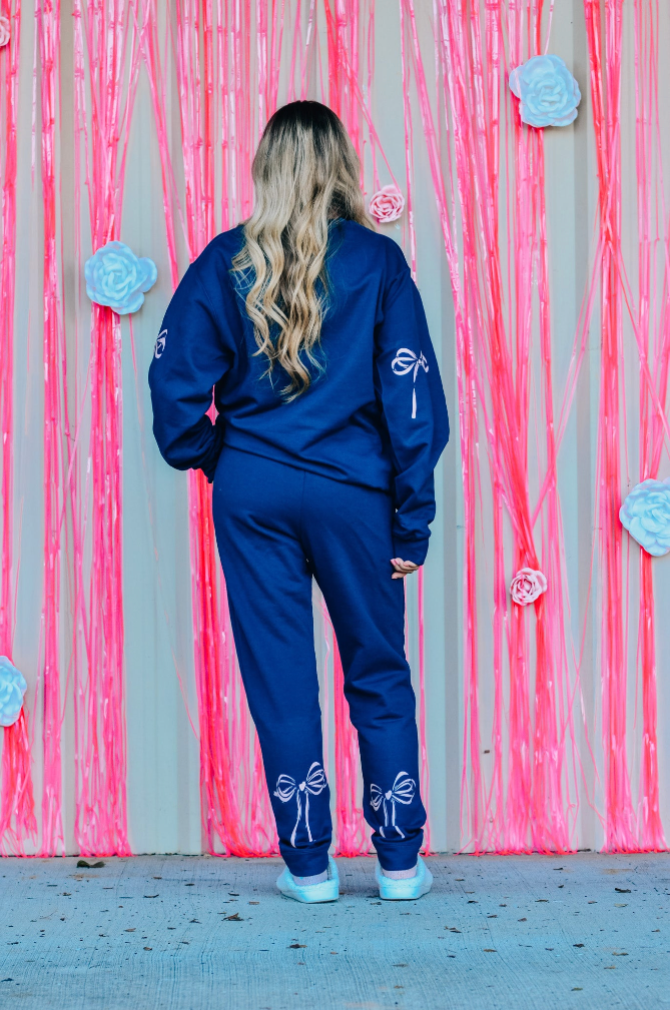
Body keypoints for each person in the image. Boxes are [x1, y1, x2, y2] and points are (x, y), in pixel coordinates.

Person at [148, 100, 449, 903]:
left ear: (266, 168)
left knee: (280, 677)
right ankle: (399, 863)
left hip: (254, 492)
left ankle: (309, 868)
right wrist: (411, 522)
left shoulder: (224, 262)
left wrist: (217, 455)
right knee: (378, 671)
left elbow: (173, 389)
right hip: (356, 495)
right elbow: (413, 402)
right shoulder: (379, 263)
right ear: (341, 165)